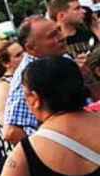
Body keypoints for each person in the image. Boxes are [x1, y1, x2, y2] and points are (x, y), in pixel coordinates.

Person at [4, 16, 70, 144]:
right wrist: (50, 153)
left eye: (59, 30)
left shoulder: (60, 58)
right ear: (31, 48)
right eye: (52, 36)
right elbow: (11, 132)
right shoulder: (27, 80)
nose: (62, 37)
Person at [0, 39, 25, 125]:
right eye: (18, 55)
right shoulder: (2, 87)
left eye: (24, 52)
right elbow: (5, 123)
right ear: (6, 63)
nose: (25, 56)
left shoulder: (25, 76)